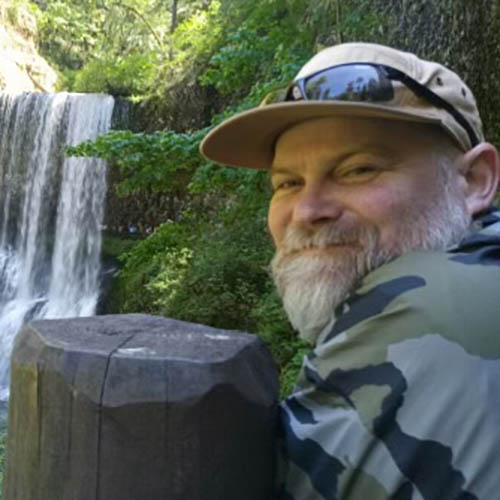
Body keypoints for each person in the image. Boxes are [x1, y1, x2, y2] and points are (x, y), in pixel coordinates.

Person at [200, 42, 500, 499]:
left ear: (475, 180)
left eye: (358, 170)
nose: (307, 210)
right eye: (288, 182)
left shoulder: (429, 311)